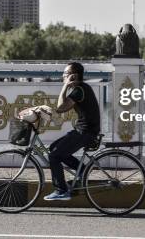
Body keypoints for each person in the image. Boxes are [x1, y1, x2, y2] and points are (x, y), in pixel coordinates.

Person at [43, 62, 101, 201]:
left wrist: (65, 86)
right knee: (53, 148)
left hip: (85, 132)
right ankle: (82, 171)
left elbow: (61, 107)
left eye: (65, 74)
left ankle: (61, 190)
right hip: (84, 130)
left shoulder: (79, 90)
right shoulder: (81, 88)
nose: (63, 76)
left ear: (73, 76)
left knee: (54, 156)